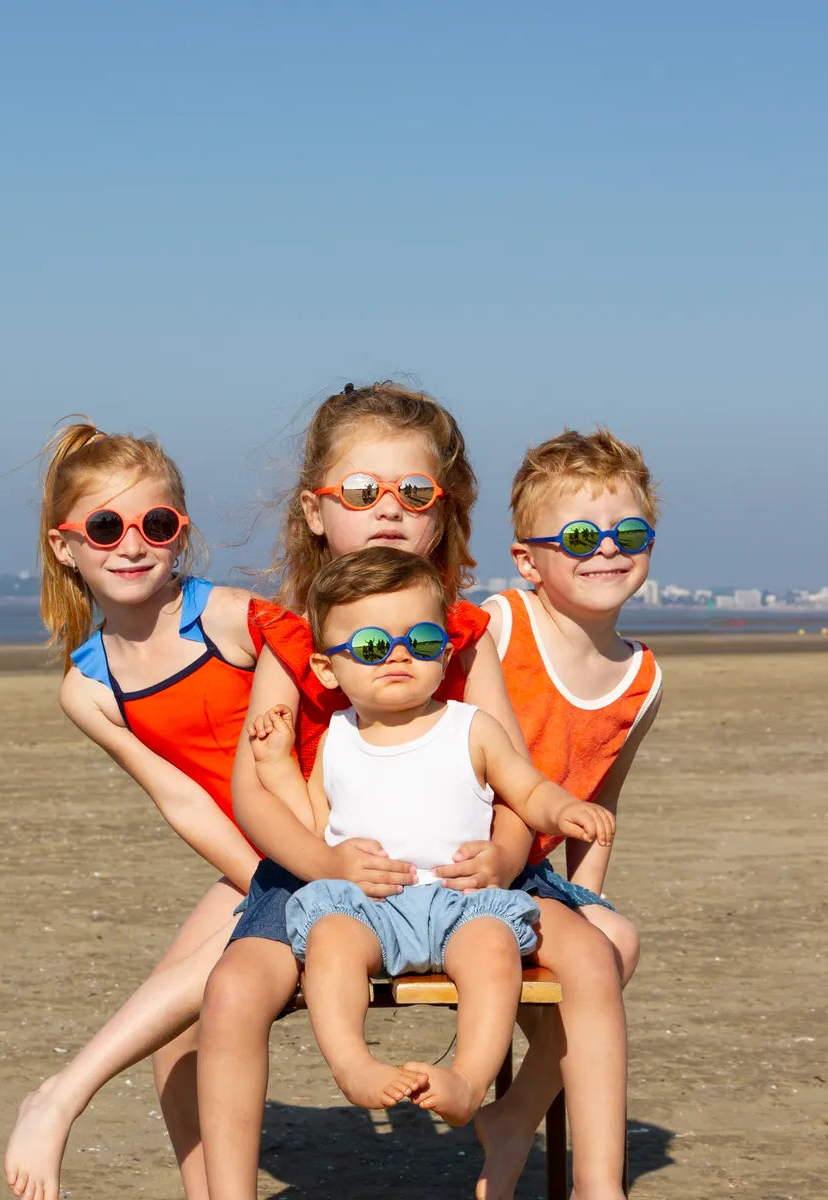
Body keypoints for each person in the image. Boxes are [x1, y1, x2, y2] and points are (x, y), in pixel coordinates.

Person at [195, 380, 543, 1200]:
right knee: (232, 989)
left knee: (594, 957)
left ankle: (560, 1152)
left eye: (413, 492)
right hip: (321, 861)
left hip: (460, 872)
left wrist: (504, 855)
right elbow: (255, 794)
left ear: (444, 513)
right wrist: (324, 864)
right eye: (361, 491)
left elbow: (514, 779)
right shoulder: (291, 635)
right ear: (316, 510)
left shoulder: (458, 633)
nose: (388, 509)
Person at [3, 423, 297, 1200]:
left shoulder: (231, 621)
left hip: (322, 844)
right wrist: (263, 880)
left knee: (209, 979)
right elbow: (183, 800)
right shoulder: (90, 688)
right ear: (66, 547)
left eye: (155, 524)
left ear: (180, 534)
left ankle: (64, 1094)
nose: (132, 545)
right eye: (106, 527)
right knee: (176, 1041)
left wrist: (296, 877)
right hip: (258, 866)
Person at [247, 548, 614, 1126]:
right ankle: (354, 1065)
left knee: (494, 951)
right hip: (366, 904)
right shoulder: (337, 739)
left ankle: (469, 1079)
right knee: (331, 944)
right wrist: (274, 766)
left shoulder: (470, 727)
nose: (397, 656)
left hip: (459, 901)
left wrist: (563, 808)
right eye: (371, 646)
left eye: (419, 642)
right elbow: (315, 822)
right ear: (325, 668)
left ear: (445, 652)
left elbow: (527, 790)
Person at [473, 428, 664, 1200]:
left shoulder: (641, 676)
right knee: (598, 953)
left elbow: (601, 802)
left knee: (613, 937)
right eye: (581, 536)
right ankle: (582, 1175)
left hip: (534, 877)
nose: (607, 551)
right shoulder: (500, 626)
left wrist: (590, 896)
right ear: (529, 560)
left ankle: (516, 1119)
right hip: (457, 862)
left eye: (630, 534)